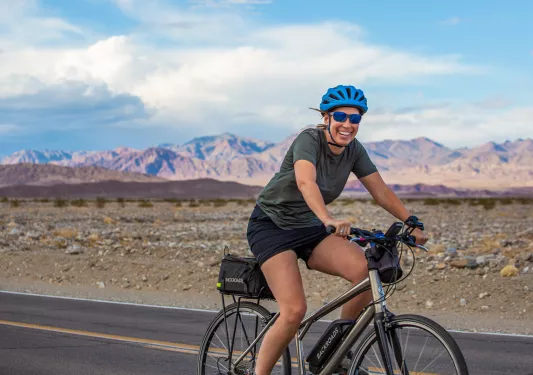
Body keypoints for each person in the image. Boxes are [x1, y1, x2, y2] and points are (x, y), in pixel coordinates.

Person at [246, 84, 428, 375]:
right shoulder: (309, 140)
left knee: (365, 274)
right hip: (273, 226)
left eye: (355, 119)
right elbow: (306, 182)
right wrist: (327, 218)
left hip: (312, 228)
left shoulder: (354, 150)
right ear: (326, 117)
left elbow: (380, 191)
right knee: (293, 311)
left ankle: (337, 350)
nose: (347, 124)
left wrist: (410, 221)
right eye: (341, 116)